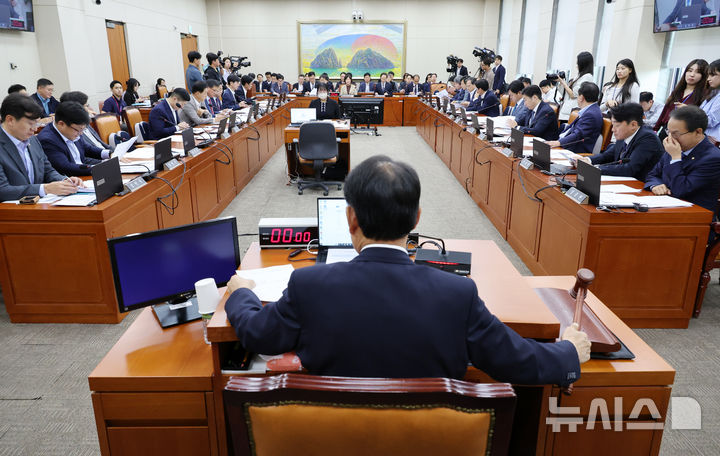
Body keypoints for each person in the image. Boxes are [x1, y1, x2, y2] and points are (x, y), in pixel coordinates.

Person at [224, 155, 590, 381]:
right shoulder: (457, 294)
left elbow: (257, 335)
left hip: (330, 435)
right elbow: (517, 361)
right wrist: (569, 352)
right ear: (416, 218)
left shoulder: (308, 284)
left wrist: (241, 292)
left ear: (350, 218)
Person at [0, 94, 83, 201]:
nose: (34, 129)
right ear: (10, 120)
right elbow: (2, 191)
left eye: (37, 123)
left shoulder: (33, 139)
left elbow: (47, 170)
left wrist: (64, 181)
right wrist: (45, 189)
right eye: (30, 123)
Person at [645, 106, 720, 213]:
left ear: (698, 132)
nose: (670, 138)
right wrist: (655, 185)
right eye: (668, 132)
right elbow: (652, 174)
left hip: (694, 217)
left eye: (676, 134)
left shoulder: (713, 158)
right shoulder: (675, 147)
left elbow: (680, 190)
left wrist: (676, 158)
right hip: (665, 209)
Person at [576, 103, 664, 182]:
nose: (612, 129)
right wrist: (587, 160)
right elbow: (607, 156)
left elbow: (629, 168)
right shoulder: (625, 133)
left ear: (633, 125)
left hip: (641, 188)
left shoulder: (648, 139)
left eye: (617, 125)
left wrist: (595, 169)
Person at [38, 101, 103, 177]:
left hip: (82, 173)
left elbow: (87, 149)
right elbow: (65, 167)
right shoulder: (47, 140)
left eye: (82, 130)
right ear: (61, 124)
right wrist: (98, 169)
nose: (81, 133)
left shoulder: (74, 130)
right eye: (78, 130)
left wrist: (110, 154)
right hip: (69, 179)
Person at [547, 82, 603, 156]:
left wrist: (558, 143)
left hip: (575, 151)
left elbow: (577, 135)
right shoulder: (590, 110)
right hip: (567, 145)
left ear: (581, 97)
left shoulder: (591, 114)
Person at [654, 59, 708, 134]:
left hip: (683, 133)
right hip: (666, 130)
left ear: (703, 76)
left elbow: (702, 117)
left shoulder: (703, 95)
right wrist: (655, 128)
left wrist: (688, 109)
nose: (692, 74)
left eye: (698, 72)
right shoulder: (677, 91)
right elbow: (665, 110)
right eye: (690, 70)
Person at [58, 91, 116, 156]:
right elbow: (86, 155)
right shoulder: (71, 130)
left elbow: (101, 143)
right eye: (86, 106)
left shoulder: (85, 123)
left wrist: (115, 152)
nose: (88, 109)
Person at [557, 51, 594, 122]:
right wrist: (561, 83)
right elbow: (566, 93)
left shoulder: (587, 77)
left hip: (572, 112)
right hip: (566, 111)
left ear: (583, 64)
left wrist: (563, 82)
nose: (576, 65)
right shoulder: (578, 76)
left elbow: (573, 95)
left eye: (578, 63)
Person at [700, 59, 720, 141]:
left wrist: (690, 115)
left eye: (712, 75)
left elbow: (711, 121)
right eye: (708, 75)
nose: (708, 79)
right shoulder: (713, 93)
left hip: (713, 141)